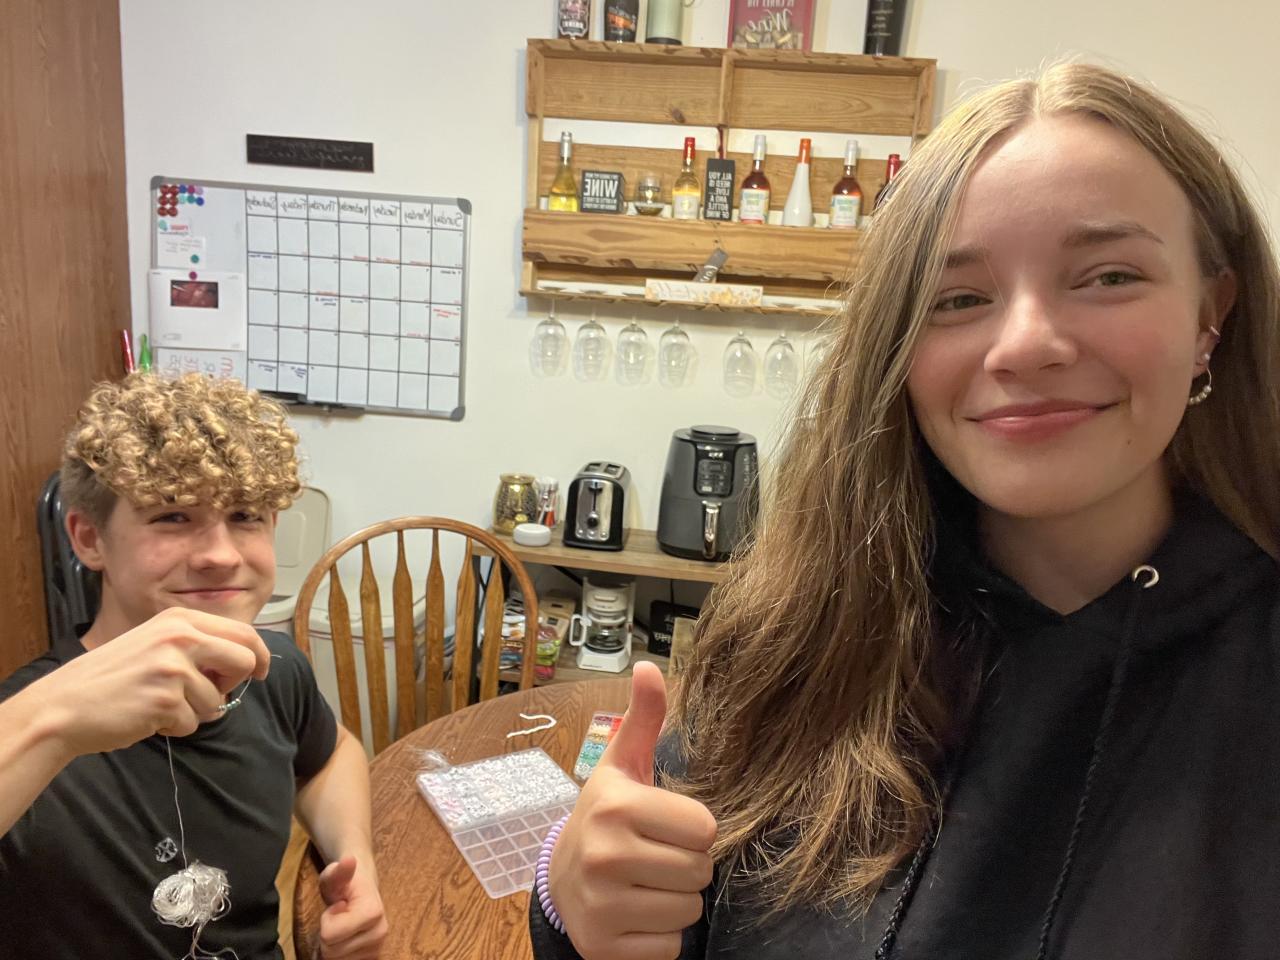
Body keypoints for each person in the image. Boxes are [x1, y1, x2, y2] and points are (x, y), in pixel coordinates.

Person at [530, 61, 1280, 960]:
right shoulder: (806, 629)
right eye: (958, 298)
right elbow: (662, 899)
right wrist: (575, 901)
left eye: (1109, 276)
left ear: (1210, 316)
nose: (1026, 344)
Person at [0, 373, 388, 959]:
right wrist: (51, 722)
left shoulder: (275, 669)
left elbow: (331, 755)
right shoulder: (30, 730)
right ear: (89, 538)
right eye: (173, 516)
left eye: (246, 515)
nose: (221, 555)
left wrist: (355, 861)